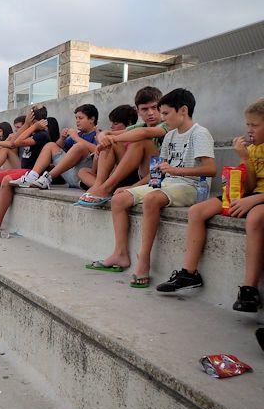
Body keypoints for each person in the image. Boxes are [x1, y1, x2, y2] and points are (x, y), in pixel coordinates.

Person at [87, 88, 216, 288]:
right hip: (166, 184)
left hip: (191, 186)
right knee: (119, 199)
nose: (161, 117)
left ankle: (144, 261)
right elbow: (158, 171)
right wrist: (134, 187)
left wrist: (175, 170)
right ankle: (120, 254)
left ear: (183, 110)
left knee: (151, 199)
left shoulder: (200, 133)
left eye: (165, 113)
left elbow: (210, 169)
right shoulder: (172, 135)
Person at [156, 98, 264, 311]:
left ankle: (249, 289)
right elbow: (249, 184)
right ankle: (189, 273)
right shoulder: (252, 149)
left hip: (259, 199)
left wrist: (254, 199)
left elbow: (254, 193)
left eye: (255, 125)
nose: (249, 130)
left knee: (255, 218)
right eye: (247, 124)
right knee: (197, 211)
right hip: (248, 194)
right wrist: (244, 158)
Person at [77, 86, 168, 205]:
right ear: (138, 111)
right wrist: (104, 138)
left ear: (161, 107)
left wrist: (112, 138)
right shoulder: (141, 125)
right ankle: (100, 185)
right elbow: (105, 133)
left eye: (154, 107)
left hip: (157, 178)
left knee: (142, 141)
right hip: (138, 175)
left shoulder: (168, 124)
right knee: (110, 144)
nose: (150, 113)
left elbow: (144, 133)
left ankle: (107, 188)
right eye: (145, 109)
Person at [10, 104, 99, 190]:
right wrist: (62, 138)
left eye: (81, 118)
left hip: (84, 176)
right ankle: (32, 177)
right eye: (76, 118)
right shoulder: (78, 134)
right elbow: (57, 148)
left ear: (92, 119)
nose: (77, 121)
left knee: (80, 147)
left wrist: (76, 138)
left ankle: (47, 178)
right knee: (50, 145)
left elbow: (97, 150)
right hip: (70, 174)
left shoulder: (98, 134)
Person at [76, 105, 138, 196]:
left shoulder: (133, 136)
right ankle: (101, 186)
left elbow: (121, 166)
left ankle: (101, 187)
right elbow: (94, 171)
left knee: (110, 142)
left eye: (115, 123)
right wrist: (98, 154)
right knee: (82, 171)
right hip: (108, 177)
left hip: (126, 176)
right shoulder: (113, 137)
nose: (111, 126)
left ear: (129, 124)